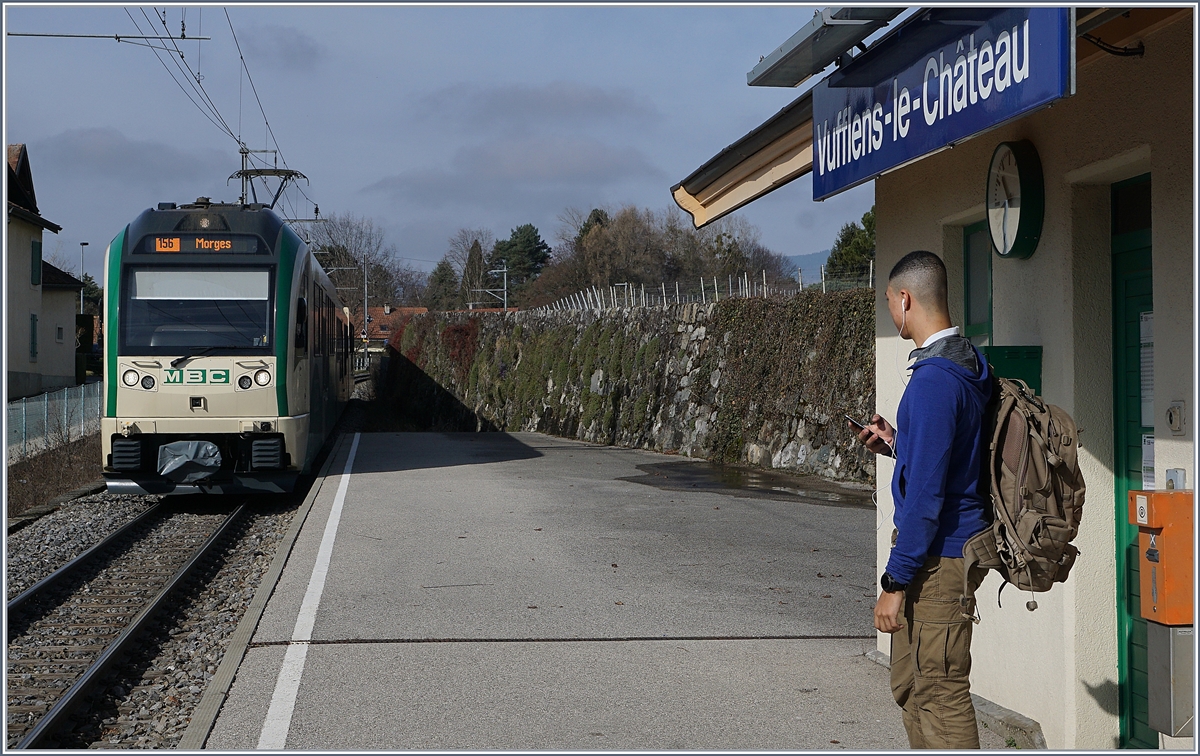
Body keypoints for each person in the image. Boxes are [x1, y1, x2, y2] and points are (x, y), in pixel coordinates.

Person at [851, 250, 993, 749]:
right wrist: (896, 443)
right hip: (942, 551)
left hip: (938, 558)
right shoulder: (968, 362)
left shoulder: (934, 380)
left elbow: (928, 497)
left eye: (889, 300)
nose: (890, 310)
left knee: (939, 690)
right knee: (912, 687)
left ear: (905, 299)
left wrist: (895, 580)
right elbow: (952, 461)